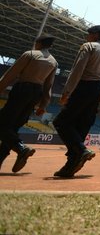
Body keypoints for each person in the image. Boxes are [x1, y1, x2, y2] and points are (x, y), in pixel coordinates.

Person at [53, 25, 100, 178]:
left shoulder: (88, 47)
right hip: (97, 89)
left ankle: (81, 150)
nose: (87, 36)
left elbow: (77, 69)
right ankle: (71, 165)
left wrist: (67, 91)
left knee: (61, 122)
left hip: (84, 86)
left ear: (96, 35)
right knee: (81, 126)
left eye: (90, 33)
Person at [0, 34, 58, 172]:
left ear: (38, 43)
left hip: (22, 89)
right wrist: (43, 105)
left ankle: (21, 148)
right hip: (36, 93)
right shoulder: (53, 62)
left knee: (2, 123)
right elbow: (48, 85)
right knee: (13, 127)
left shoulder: (30, 54)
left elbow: (11, 74)